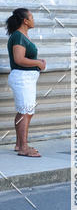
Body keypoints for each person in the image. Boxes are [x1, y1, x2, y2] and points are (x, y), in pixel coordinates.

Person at [5, 8, 46, 157]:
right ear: (25, 21)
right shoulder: (18, 37)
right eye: (32, 17)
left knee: (24, 111)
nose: (33, 20)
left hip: (26, 78)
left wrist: (38, 62)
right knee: (25, 112)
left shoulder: (22, 36)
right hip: (22, 78)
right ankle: (23, 147)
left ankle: (19, 144)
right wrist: (38, 63)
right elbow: (19, 59)